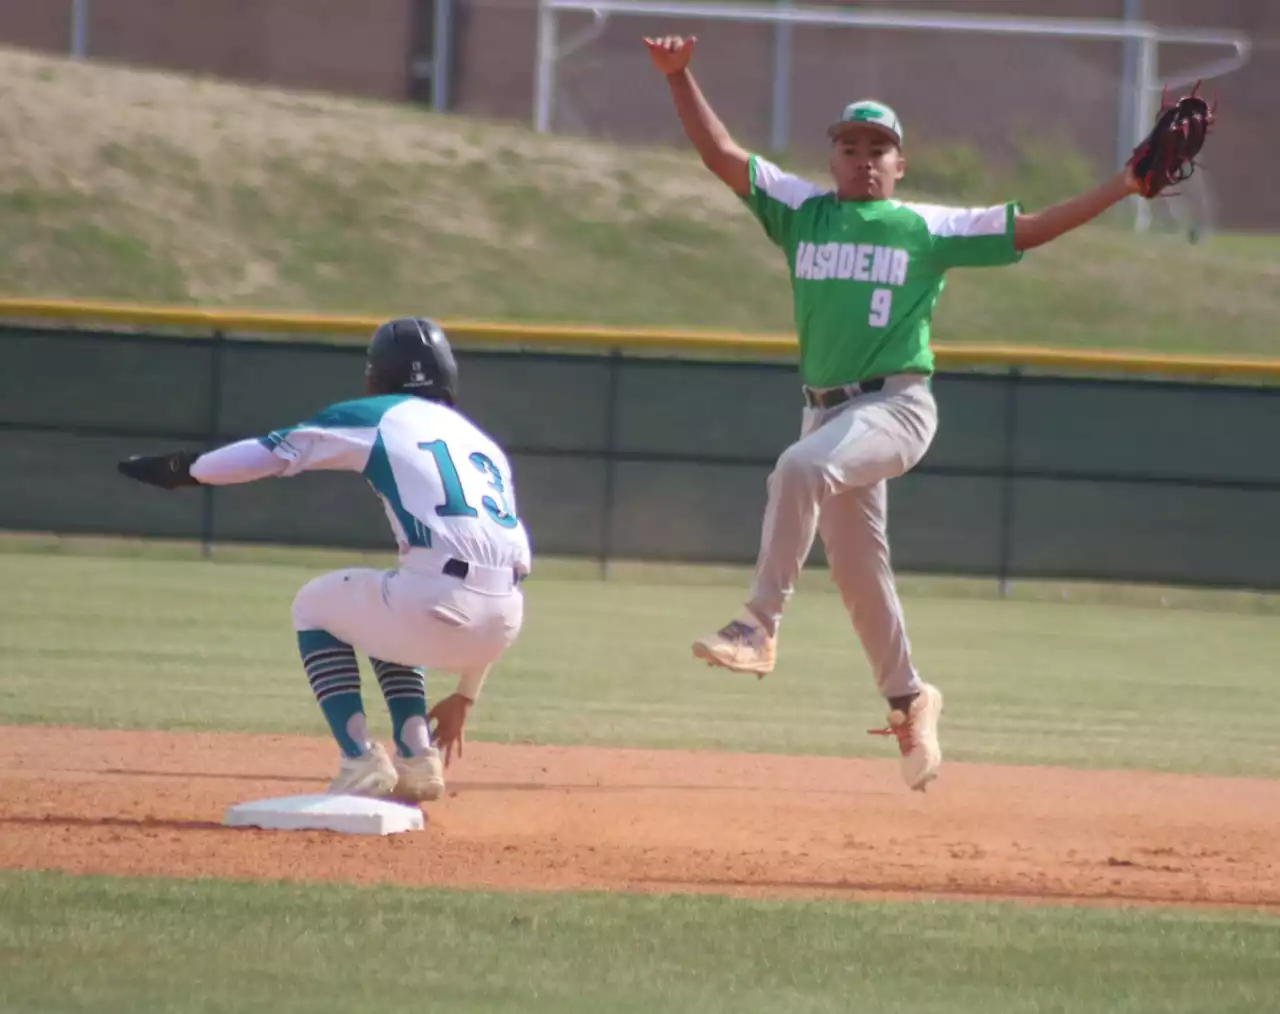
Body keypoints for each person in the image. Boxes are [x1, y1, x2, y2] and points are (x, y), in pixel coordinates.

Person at [645, 34, 1146, 792]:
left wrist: (1124, 185)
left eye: (880, 147)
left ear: (900, 164)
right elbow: (721, 156)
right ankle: (911, 698)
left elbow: (1032, 227)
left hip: (897, 406)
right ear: (833, 157)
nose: (864, 157)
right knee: (857, 574)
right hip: (829, 414)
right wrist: (680, 76)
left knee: (798, 467)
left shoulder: (925, 227)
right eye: (850, 145)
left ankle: (759, 624)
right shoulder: (800, 212)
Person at [117, 318, 530, 802]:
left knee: (314, 605)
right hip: (502, 624)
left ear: (379, 374)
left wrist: (186, 470)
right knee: (380, 609)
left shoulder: (378, 414)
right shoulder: (483, 445)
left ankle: (359, 758)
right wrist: (464, 694)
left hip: (435, 603)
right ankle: (418, 757)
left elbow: (272, 453)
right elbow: (495, 570)